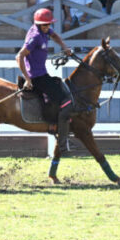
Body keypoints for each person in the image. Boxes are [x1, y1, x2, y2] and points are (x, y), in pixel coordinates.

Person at [16, 8, 74, 152]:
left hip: (43, 74)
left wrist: (64, 47)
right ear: (37, 24)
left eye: (49, 24)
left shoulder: (44, 30)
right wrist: (28, 79)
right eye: (45, 25)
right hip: (37, 77)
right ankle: (62, 143)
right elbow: (19, 56)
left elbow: (54, 35)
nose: (48, 27)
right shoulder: (35, 36)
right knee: (66, 102)